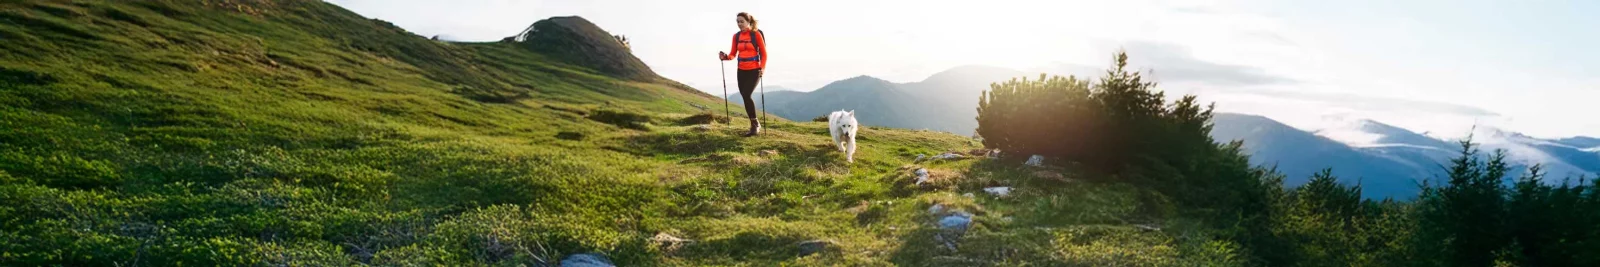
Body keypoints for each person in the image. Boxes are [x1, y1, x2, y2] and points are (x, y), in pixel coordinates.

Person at [720, 12, 767, 137]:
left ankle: (755, 124)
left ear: (748, 21)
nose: (739, 24)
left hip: (754, 70)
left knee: (747, 94)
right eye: (737, 22)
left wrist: (762, 68)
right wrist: (725, 57)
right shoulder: (736, 36)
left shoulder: (756, 34)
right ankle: (753, 123)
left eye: (741, 21)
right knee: (744, 96)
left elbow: (764, 53)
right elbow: (732, 54)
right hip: (741, 70)